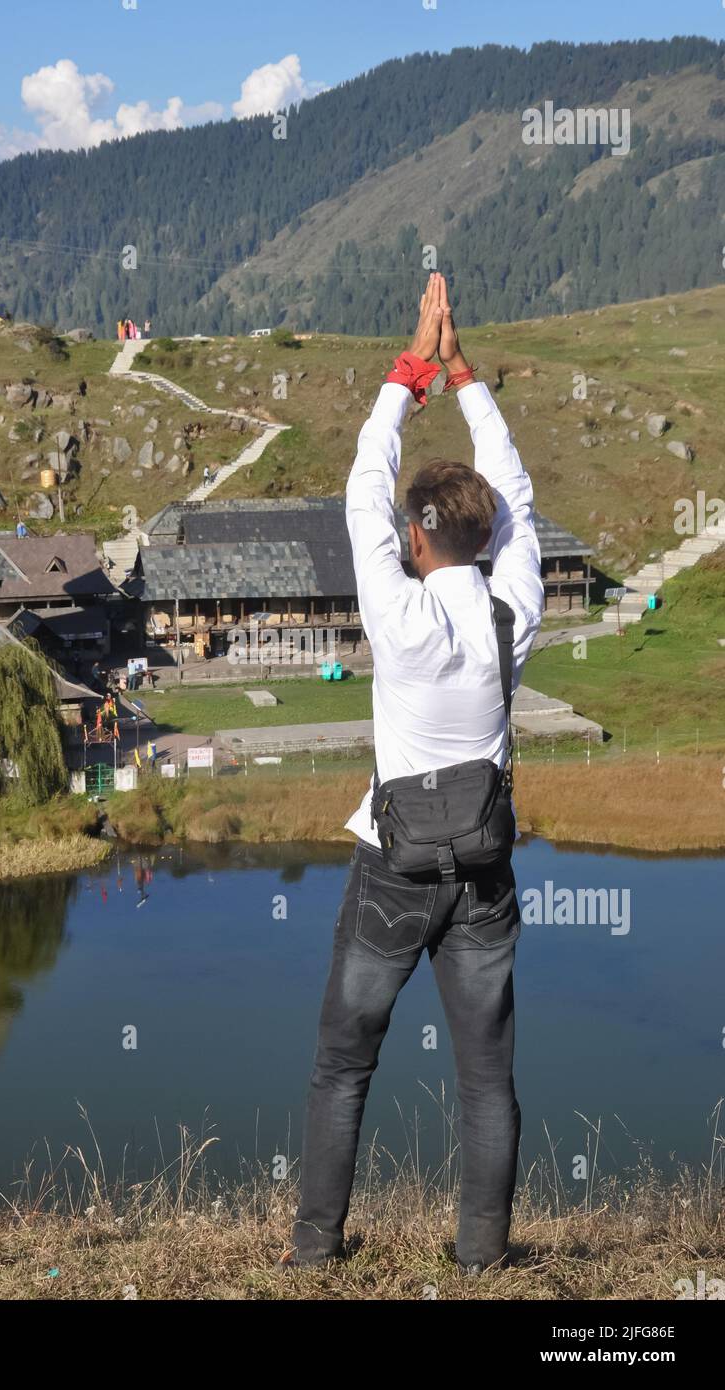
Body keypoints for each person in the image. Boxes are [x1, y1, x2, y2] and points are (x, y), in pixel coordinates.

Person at [282, 273, 543, 1276]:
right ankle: (482, 1258)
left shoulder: (395, 616)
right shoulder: (512, 608)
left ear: (416, 535)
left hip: (391, 871)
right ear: (485, 540)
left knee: (344, 1065)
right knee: (487, 1080)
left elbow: (361, 479)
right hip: (483, 872)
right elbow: (513, 491)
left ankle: (316, 1252)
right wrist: (466, 374)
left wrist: (411, 369)